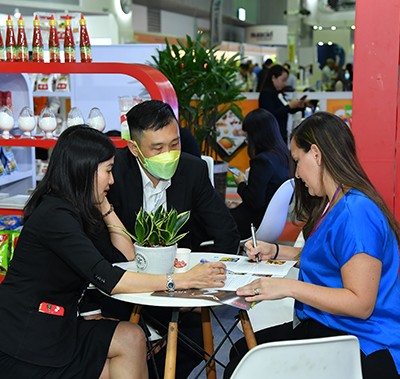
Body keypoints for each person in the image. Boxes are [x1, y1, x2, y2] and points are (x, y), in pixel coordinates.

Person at [0, 125, 227, 379]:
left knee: (131, 337)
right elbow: (108, 279)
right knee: (121, 361)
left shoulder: (77, 210)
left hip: (56, 326)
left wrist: (105, 208)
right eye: (107, 170)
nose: (112, 180)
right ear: (83, 169)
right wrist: (183, 280)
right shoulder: (55, 216)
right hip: (28, 339)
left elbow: (128, 259)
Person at [224, 112, 400, 379]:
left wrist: (287, 287)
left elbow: (360, 303)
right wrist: (276, 251)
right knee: (241, 353)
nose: (296, 173)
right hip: (331, 327)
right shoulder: (336, 203)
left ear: (316, 154)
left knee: (244, 364)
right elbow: (330, 258)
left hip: (363, 343)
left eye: (297, 161)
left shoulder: (356, 213)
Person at [106, 99, 240, 378]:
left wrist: (206, 279)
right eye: (157, 148)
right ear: (134, 148)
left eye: (174, 144)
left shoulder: (192, 170)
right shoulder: (113, 175)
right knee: (127, 344)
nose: (169, 154)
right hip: (126, 290)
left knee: (193, 346)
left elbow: (225, 230)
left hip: (180, 290)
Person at [229, 109, 290, 239]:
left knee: (205, 218)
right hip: (272, 223)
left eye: (247, 137)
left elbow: (254, 201)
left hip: (252, 223)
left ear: (255, 136)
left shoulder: (262, 161)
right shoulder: (284, 156)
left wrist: (240, 183)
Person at [259, 64, 306, 144]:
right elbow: (272, 113)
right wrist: (289, 106)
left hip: (281, 133)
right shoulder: (266, 94)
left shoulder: (279, 93)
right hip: (271, 135)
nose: (285, 83)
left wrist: (298, 106)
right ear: (273, 78)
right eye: (283, 80)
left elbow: (285, 110)